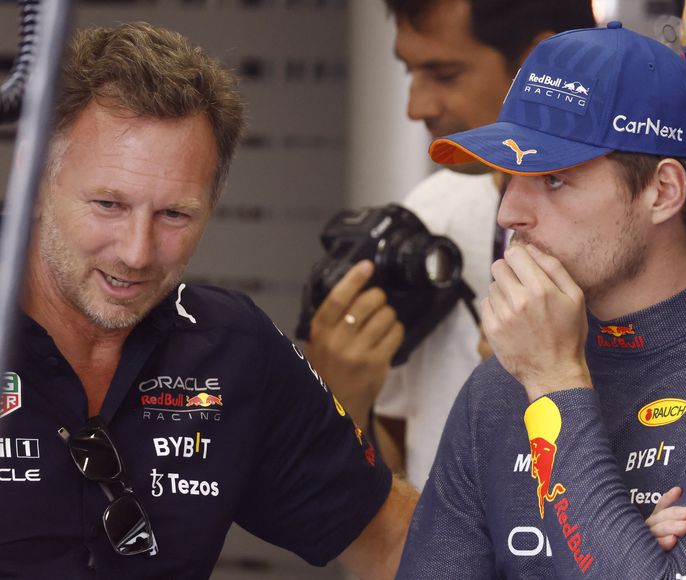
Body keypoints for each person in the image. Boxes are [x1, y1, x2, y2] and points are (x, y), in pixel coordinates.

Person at [0, 22, 416, 579]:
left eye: (174, 215)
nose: (137, 252)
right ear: (35, 183)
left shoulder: (232, 347)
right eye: (108, 204)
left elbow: (395, 542)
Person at [396, 22, 686, 578]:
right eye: (509, 176)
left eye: (554, 178)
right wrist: (626, 553)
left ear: (663, 191)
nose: (509, 213)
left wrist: (556, 386)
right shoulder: (497, 387)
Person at [304, 0, 596, 489]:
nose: (416, 107)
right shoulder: (431, 214)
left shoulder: (630, 241)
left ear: (541, 63)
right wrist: (342, 401)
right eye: (411, 71)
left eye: (443, 74)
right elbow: (401, 448)